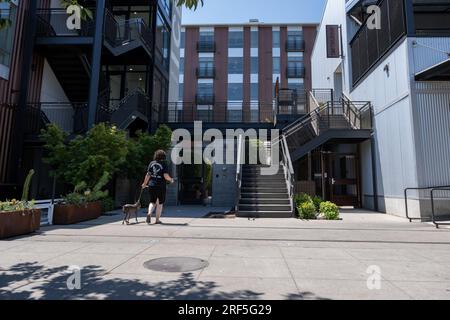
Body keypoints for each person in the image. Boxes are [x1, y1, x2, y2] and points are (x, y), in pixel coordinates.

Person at [142, 150, 174, 225]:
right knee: (160, 203)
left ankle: (149, 213)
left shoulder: (151, 163)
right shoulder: (164, 164)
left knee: (152, 201)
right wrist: (171, 179)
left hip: (151, 185)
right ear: (164, 156)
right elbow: (165, 176)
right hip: (161, 186)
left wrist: (144, 184)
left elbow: (148, 175)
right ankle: (157, 220)